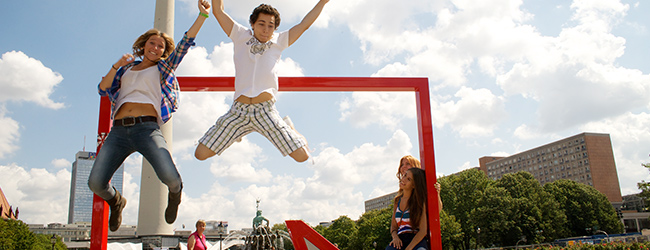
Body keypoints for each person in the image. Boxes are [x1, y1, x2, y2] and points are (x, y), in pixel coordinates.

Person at [88, 0, 211, 232]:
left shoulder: (163, 69)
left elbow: (184, 44)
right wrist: (116, 65)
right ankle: (117, 201)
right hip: (119, 131)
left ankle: (175, 195)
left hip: (147, 129)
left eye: (161, 46)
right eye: (152, 43)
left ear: (165, 52)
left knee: (171, 179)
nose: (155, 48)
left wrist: (202, 16)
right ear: (143, 45)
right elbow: (102, 89)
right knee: (95, 183)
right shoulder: (125, 69)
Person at [194, 0, 329, 162]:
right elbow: (218, 11)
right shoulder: (240, 35)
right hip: (239, 113)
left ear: (275, 28)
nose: (265, 30)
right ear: (252, 23)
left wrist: (322, 2)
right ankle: (237, 132)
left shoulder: (280, 41)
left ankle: (290, 128)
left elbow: (304, 25)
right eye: (261, 24)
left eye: (270, 26)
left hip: (265, 112)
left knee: (302, 156)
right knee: (200, 154)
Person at [387, 167, 429, 250]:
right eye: (405, 175)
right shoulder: (397, 201)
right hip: (400, 238)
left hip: (416, 239)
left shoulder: (419, 202)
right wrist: (395, 237)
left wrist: (409, 248)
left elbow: (423, 231)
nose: (404, 179)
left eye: (409, 179)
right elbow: (393, 227)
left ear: (414, 185)